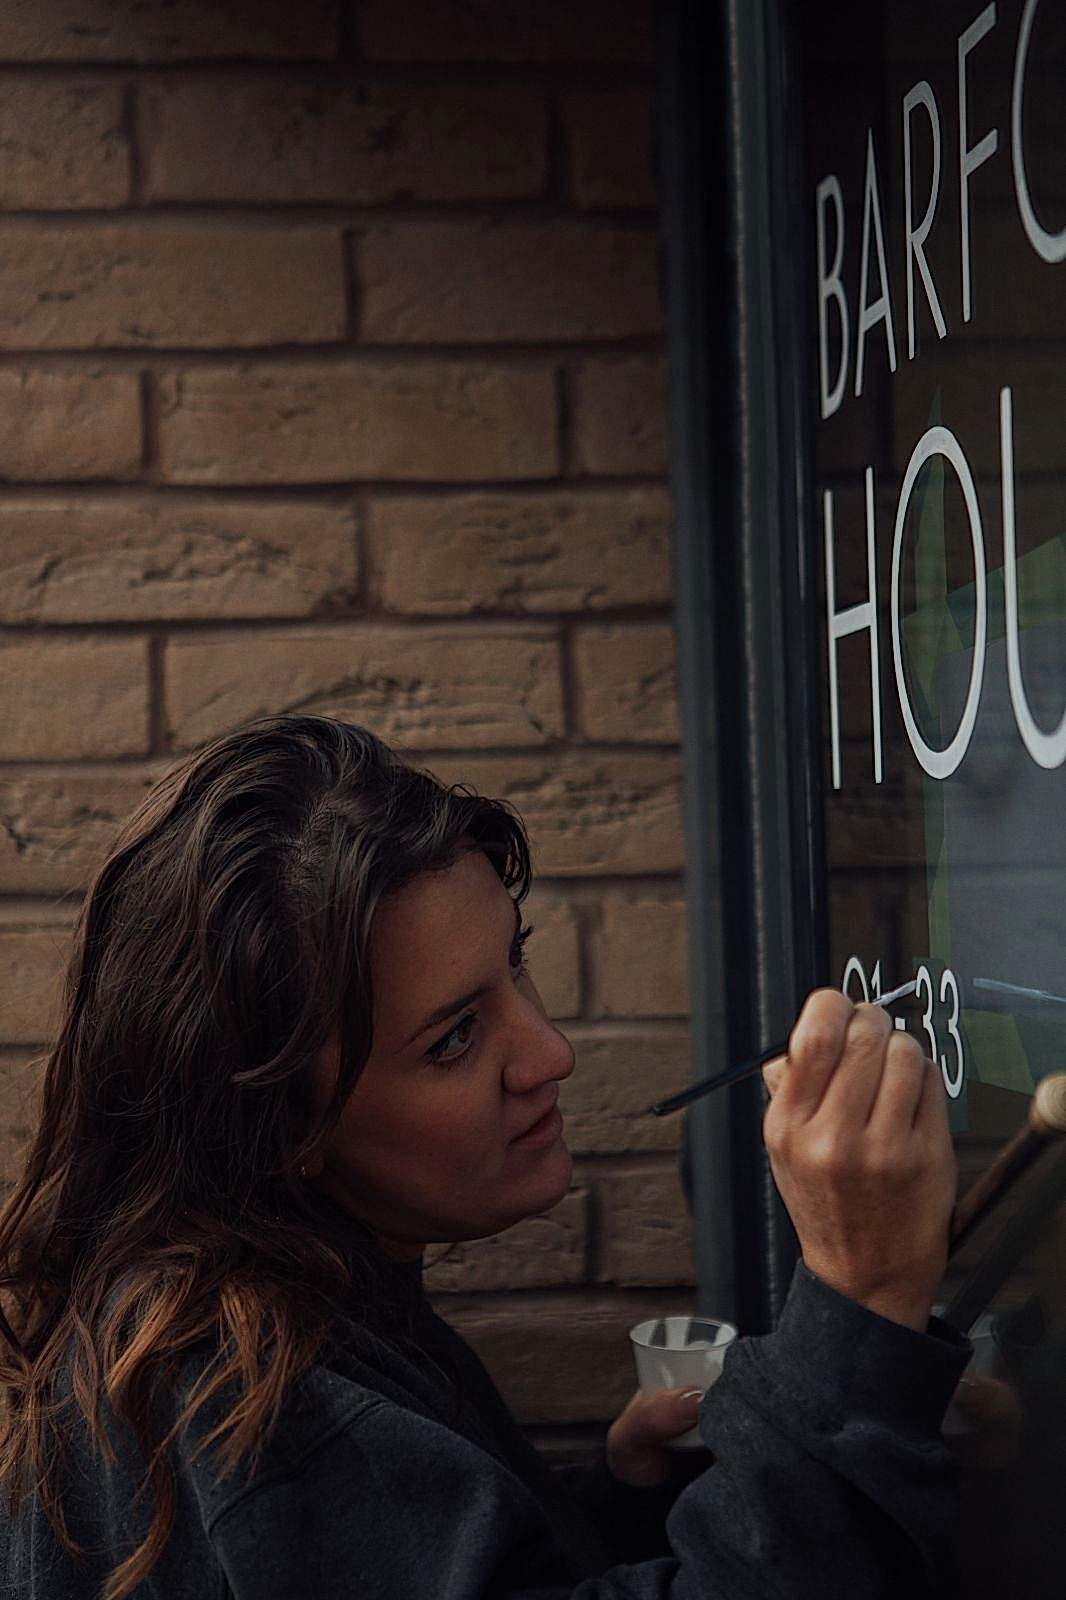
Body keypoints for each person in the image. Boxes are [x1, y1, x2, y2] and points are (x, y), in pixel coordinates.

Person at [0, 713, 970, 1600]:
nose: (552, 1053)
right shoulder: (242, 1407)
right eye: (454, 1038)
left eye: (515, 960)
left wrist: (610, 1504)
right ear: (280, 1128)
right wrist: (857, 1297)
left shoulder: (281, 1303)